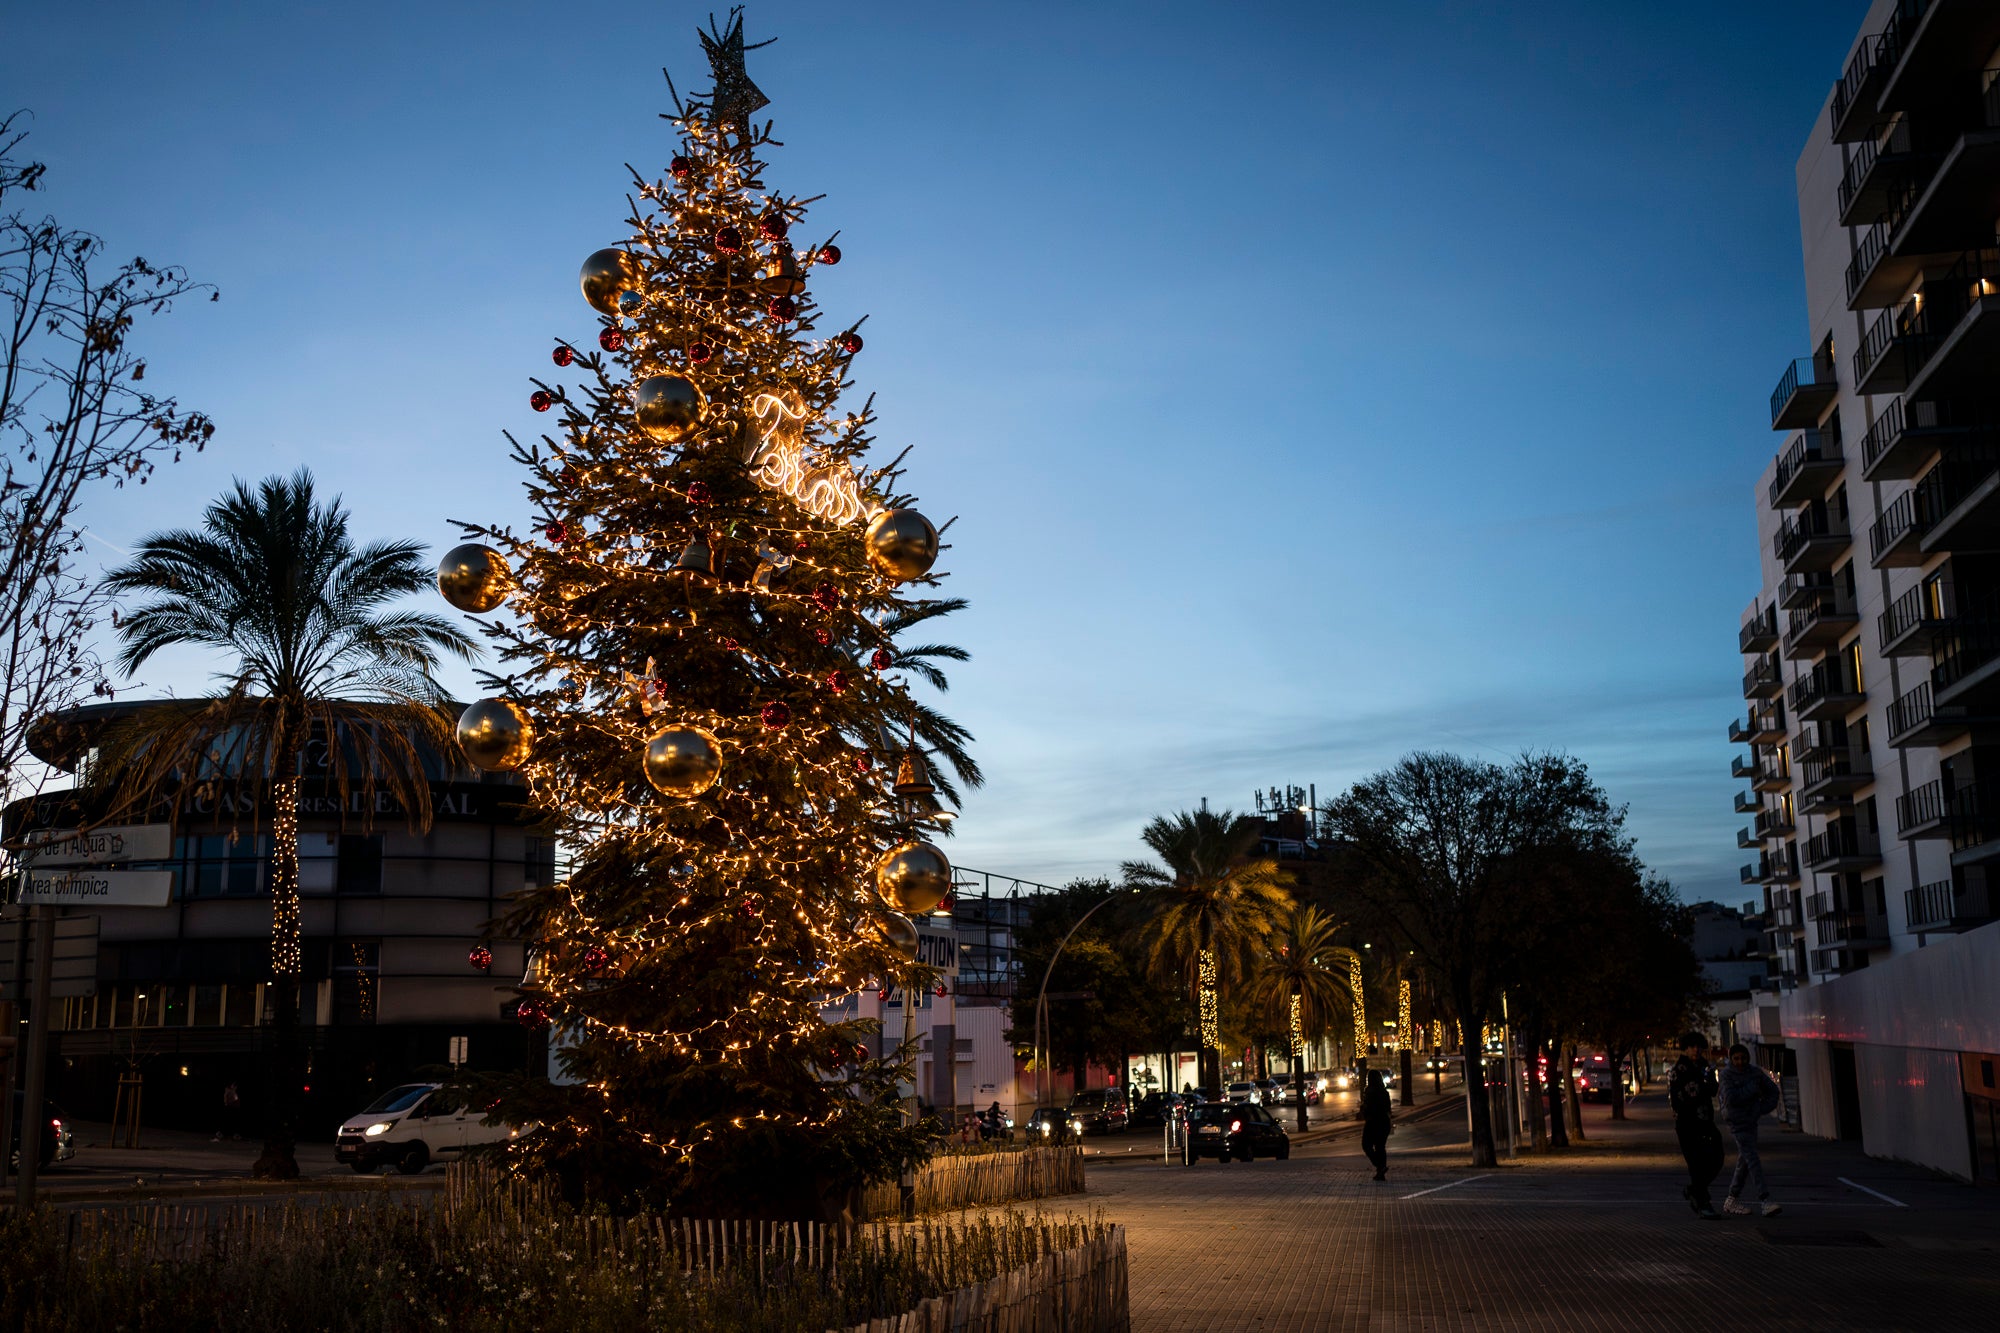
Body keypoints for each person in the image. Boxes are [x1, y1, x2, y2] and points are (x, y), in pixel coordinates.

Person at [1718, 1043, 1783, 1217]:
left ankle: (1732, 1198)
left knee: (1745, 1160)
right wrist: (1752, 1091)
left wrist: (1760, 1109)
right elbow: (1731, 1098)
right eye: (1736, 1058)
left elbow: (1773, 1092)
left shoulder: (1754, 1073)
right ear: (1731, 1059)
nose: (1740, 1062)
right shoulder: (1726, 1075)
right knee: (1752, 1158)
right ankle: (1765, 1199)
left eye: (1743, 1058)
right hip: (1736, 1122)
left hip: (1750, 1120)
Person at [1668, 1032, 1725, 1220]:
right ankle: (1703, 1203)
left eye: (1698, 1046)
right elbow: (1679, 1099)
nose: (1696, 1050)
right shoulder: (1679, 1070)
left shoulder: (1704, 1067)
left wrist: (1710, 1078)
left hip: (1706, 1122)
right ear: (1685, 1048)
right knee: (1696, 1164)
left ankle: (1694, 1190)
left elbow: (1713, 1090)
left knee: (1717, 1157)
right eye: (1692, 1046)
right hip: (1688, 1124)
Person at [1360, 1068, 1393, 1181]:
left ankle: (1380, 1166)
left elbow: (1368, 1108)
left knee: (1366, 1145)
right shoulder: (1384, 1092)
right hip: (1384, 1122)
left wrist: (1364, 1110)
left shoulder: (1369, 1092)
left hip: (1373, 1122)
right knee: (1380, 1147)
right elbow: (1388, 1108)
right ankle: (1381, 1172)